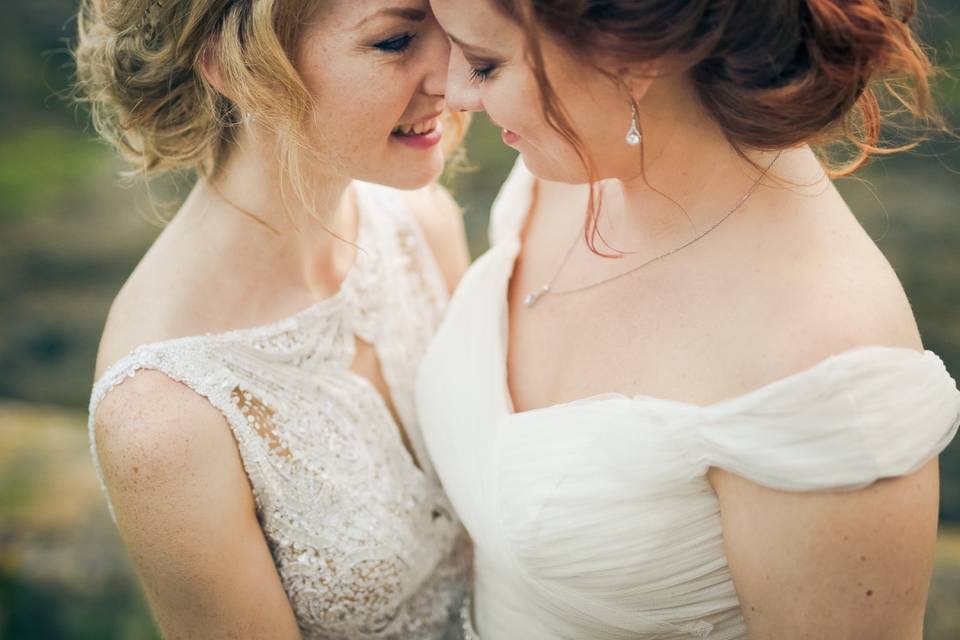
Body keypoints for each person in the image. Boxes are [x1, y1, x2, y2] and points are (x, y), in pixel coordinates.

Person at [416, 0, 960, 637]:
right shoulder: (567, 161)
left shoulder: (825, 367)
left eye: (485, 64)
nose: (454, 93)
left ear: (630, 57)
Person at [75, 0, 472, 637]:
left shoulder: (423, 225)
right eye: (397, 41)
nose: (457, 80)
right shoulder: (162, 411)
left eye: (450, 27)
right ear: (235, 66)